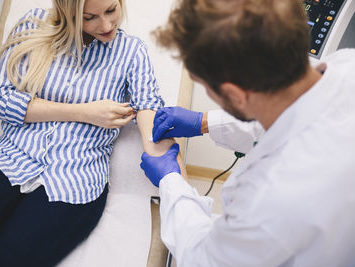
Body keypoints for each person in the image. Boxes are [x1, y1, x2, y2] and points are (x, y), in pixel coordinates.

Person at [0, 0, 185, 266]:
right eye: (90, 17)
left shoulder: (131, 52)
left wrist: (174, 181)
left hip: (76, 181)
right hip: (9, 159)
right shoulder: (34, 26)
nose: (107, 25)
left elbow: (149, 110)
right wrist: (84, 112)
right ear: (68, 12)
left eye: (112, 10)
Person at [140, 0, 355, 266]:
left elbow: (204, 259)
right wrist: (203, 121)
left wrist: (171, 181)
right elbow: (290, 111)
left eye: (205, 86)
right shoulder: (347, 64)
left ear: (234, 95)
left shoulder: (266, 199)